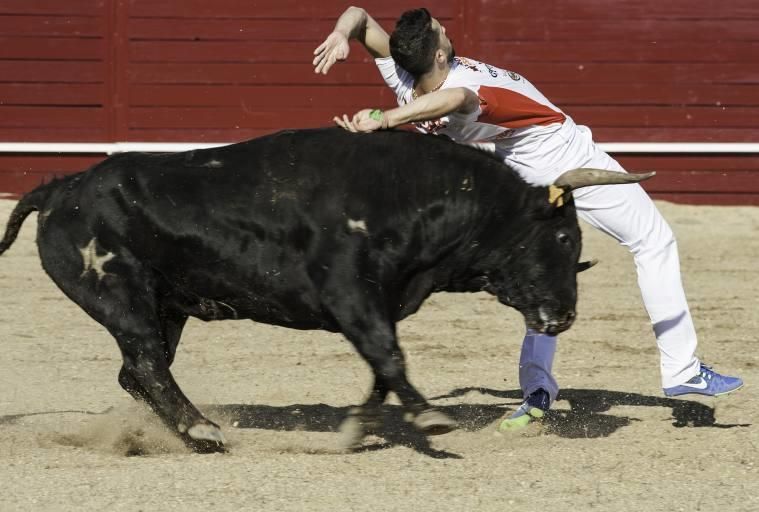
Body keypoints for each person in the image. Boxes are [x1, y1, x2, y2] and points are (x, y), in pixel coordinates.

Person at [312, 7, 743, 428]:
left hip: (516, 170)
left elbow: (359, 15)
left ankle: (537, 387)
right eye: (443, 32)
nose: (447, 34)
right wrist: (385, 118)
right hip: (562, 153)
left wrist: (339, 34)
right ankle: (682, 369)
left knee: (547, 270)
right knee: (654, 242)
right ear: (440, 55)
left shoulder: (405, 74)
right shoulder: (460, 86)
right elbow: (459, 97)